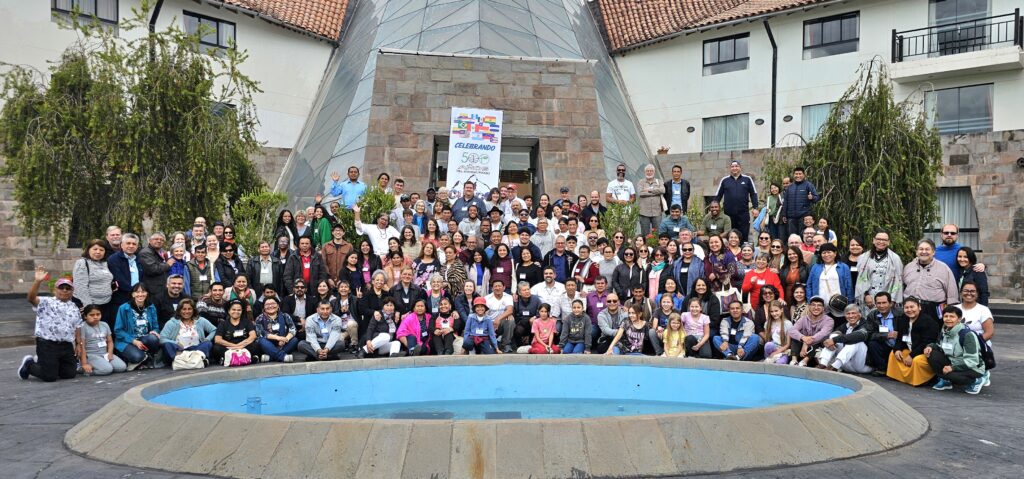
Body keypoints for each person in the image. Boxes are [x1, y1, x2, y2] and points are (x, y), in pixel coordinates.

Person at [19, 269, 82, 381]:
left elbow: (77, 326)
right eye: (61, 288)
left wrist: (78, 344)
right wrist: (37, 281)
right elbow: (31, 298)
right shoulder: (46, 302)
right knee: (49, 377)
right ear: (55, 290)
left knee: (69, 374)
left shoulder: (74, 307)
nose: (64, 290)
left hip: (66, 345)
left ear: (72, 291)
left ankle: (47, 363)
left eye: (68, 288)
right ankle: (29, 364)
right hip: (47, 344)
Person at [925, 306, 985, 394]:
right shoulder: (945, 331)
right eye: (946, 316)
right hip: (953, 362)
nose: (948, 319)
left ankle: (976, 380)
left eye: (952, 316)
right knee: (932, 354)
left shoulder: (967, 335)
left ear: (959, 319)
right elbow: (940, 346)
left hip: (972, 367)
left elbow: (972, 361)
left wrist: (952, 368)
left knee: (950, 375)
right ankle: (946, 381)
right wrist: (930, 346)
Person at [886, 297, 940, 386]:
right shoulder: (903, 319)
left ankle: (921, 379)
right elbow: (899, 339)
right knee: (893, 354)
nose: (909, 310)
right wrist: (897, 349)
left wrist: (911, 355)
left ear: (919, 307)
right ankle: (901, 377)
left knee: (917, 361)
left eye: (912, 307)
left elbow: (926, 342)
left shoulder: (929, 322)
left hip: (924, 352)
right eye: (906, 308)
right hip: (910, 349)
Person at [903, 239, 958, 324]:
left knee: (932, 335)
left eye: (927, 249)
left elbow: (952, 292)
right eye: (921, 249)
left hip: (933, 310)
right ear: (916, 252)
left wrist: (951, 311)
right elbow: (900, 286)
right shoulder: (908, 267)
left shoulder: (943, 268)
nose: (924, 252)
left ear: (933, 252)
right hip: (910, 309)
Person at [112, 283, 161, 370]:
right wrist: (133, 341)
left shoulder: (151, 307)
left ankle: (146, 357)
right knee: (137, 357)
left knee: (153, 338)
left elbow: (156, 327)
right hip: (127, 341)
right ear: (133, 294)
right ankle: (138, 358)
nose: (140, 294)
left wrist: (154, 331)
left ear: (147, 293)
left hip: (143, 340)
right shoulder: (124, 308)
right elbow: (118, 330)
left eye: (143, 292)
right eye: (137, 292)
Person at [818, 304, 876, 373]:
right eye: (848, 314)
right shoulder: (845, 325)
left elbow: (859, 335)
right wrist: (831, 340)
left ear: (860, 314)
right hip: (846, 365)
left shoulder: (866, 324)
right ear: (845, 316)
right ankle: (823, 364)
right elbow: (832, 336)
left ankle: (834, 367)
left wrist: (834, 340)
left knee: (855, 341)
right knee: (834, 335)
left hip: (863, 366)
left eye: (853, 313)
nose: (851, 316)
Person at [73, 239, 116, 328]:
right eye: (95, 249)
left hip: (105, 304)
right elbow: (80, 287)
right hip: (90, 305)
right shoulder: (82, 263)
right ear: (88, 250)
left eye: (101, 250)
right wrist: (89, 307)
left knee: (103, 332)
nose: (98, 252)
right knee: (89, 334)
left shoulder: (104, 263)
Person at [855, 229, 904, 305]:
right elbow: (861, 278)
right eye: (879, 239)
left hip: (887, 299)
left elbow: (898, 281)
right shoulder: (863, 258)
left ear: (888, 242)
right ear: (874, 240)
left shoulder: (895, 259)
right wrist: (866, 295)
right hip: (869, 299)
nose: (881, 242)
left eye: (884, 240)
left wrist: (892, 299)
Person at [159, 298, 216, 363]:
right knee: (168, 345)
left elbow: (214, 330)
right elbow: (162, 339)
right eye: (184, 309)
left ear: (193, 310)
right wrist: (176, 343)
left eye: (189, 309)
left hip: (196, 350)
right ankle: (182, 360)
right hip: (179, 351)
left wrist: (207, 339)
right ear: (179, 310)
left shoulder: (200, 320)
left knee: (207, 344)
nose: (187, 312)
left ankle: (192, 359)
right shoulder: (172, 322)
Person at [713, 160, 758, 242]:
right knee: (730, 234)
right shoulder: (724, 180)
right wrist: (714, 209)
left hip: (743, 214)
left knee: (744, 234)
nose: (734, 168)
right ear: (730, 168)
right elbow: (718, 196)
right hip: (728, 214)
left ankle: (743, 251)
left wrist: (755, 207)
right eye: (732, 166)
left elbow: (753, 193)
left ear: (740, 168)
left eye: (736, 166)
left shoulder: (747, 179)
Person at [76, 304, 126, 376]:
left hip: (105, 354)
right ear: (85, 316)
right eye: (92, 315)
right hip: (91, 355)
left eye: (98, 314)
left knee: (121, 367)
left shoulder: (104, 324)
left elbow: (110, 341)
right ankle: (84, 370)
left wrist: (110, 353)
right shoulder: (82, 326)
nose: (95, 317)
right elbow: (82, 346)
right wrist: (84, 363)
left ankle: (100, 365)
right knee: (107, 370)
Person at [787, 296, 834, 367]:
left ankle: (804, 361)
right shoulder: (803, 319)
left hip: (818, 348)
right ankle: (794, 360)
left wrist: (806, 343)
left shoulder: (829, 320)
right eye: (813, 305)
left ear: (823, 308)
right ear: (809, 307)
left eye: (819, 305)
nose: (816, 307)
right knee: (796, 336)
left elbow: (823, 334)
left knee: (818, 339)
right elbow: (791, 330)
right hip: (801, 350)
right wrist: (803, 338)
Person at [211, 299, 259, 365]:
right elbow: (217, 339)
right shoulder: (223, 323)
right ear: (229, 311)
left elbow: (253, 336)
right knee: (216, 348)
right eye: (233, 309)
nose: (236, 311)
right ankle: (247, 358)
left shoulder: (247, 322)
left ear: (242, 311)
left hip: (244, 347)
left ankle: (229, 360)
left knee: (255, 345)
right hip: (229, 347)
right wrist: (234, 346)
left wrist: (240, 346)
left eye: (239, 310)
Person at [252, 297, 297, 363]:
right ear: (264, 307)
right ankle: (282, 356)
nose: (270, 306)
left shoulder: (285, 316)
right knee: (261, 340)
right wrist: (278, 338)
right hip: (268, 343)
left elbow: (293, 329)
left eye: (273, 303)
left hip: (283, 343)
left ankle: (270, 357)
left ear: (278, 305)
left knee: (294, 340)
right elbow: (261, 333)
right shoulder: (260, 318)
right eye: (267, 304)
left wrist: (286, 339)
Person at [864, 292, 900, 374]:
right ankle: (882, 368)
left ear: (890, 303)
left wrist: (899, 334)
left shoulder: (900, 313)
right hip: (885, 345)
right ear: (875, 304)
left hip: (900, 344)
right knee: (872, 343)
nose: (881, 306)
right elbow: (869, 334)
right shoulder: (872, 315)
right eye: (878, 303)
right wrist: (886, 335)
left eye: (884, 303)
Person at [108, 233, 143, 311]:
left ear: (137, 246)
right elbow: (119, 279)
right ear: (121, 245)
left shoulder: (139, 259)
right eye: (128, 243)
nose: (131, 246)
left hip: (137, 296)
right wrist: (134, 292)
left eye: (134, 244)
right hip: (121, 298)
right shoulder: (114, 259)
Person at [781, 167, 820, 237]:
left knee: (803, 236)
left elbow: (817, 197)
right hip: (791, 218)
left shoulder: (808, 185)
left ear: (803, 175)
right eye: (796, 174)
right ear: (793, 175)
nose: (798, 176)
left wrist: (812, 198)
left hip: (803, 217)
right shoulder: (790, 187)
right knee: (792, 237)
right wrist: (784, 214)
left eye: (800, 174)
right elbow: (785, 201)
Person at [636, 164, 665, 236]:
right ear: (645, 172)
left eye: (651, 171)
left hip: (657, 211)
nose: (649, 172)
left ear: (654, 172)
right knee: (645, 233)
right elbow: (640, 193)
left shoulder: (659, 181)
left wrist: (648, 190)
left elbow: (663, 190)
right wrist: (656, 192)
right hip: (644, 212)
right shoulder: (641, 182)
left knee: (657, 233)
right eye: (647, 171)